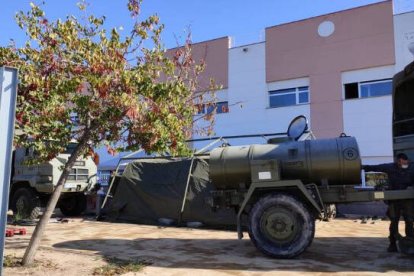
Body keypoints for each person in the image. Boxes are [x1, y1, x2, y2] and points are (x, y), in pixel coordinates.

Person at [363, 153, 414, 252]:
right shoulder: (391, 167)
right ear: (397, 161)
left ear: (407, 161)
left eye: (403, 162)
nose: (401, 164)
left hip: (408, 199)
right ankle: (392, 244)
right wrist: (362, 167)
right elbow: (376, 167)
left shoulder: (412, 168)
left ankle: (410, 243)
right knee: (394, 221)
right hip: (394, 199)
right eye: (399, 162)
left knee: (409, 220)